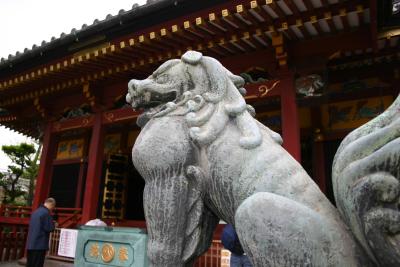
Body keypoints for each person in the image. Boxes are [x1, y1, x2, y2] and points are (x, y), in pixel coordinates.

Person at [26, 198, 57, 267]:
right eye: (53, 207)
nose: (53, 209)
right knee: (37, 264)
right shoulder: (46, 213)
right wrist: (54, 225)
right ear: (51, 205)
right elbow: (49, 228)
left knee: (30, 264)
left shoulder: (35, 212)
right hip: (39, 244)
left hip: (31, 243)